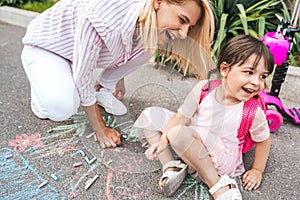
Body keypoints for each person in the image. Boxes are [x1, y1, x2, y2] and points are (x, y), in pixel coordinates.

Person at [20, 0, 215, 149]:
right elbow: (83, 74)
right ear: (159, 2)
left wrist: (115, 80)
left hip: (73, 54)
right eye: (182, 20)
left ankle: (101, 89)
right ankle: (41, 103)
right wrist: (101, 129)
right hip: (47, 48)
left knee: (147, 47)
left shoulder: (143, 16)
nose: (183, 33)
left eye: (190, 28)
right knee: (63, 107)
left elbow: (124, 41)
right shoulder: (101, 17)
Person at [134, 34, 274, 199]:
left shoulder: (252, 110)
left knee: (177, 133)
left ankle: (216, 184)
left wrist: (257, 169)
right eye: (249, 72)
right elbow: (181, 117)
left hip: (219, 158)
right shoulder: (204, 89)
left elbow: (263, 140)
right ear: (225, 69)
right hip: (193, 137)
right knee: (150, 115)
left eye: (262, 76)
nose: (257, 82)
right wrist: (163, 142)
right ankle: (172, 167)